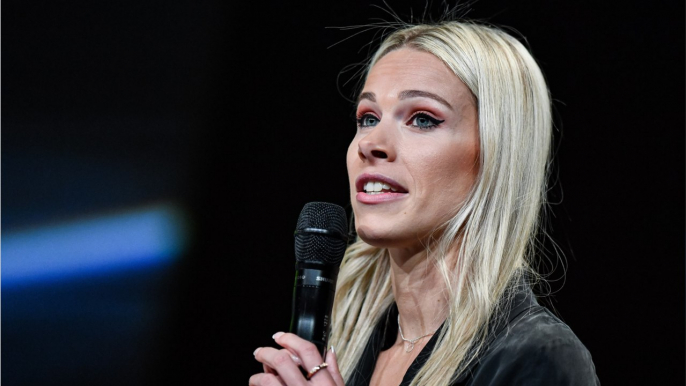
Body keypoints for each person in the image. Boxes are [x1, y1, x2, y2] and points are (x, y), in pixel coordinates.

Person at [250, 21, 599, 386]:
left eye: (422, 119)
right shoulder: (345, 342)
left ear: (497, 154)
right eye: (368, 118)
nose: (371, 144)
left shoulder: (537, 357)